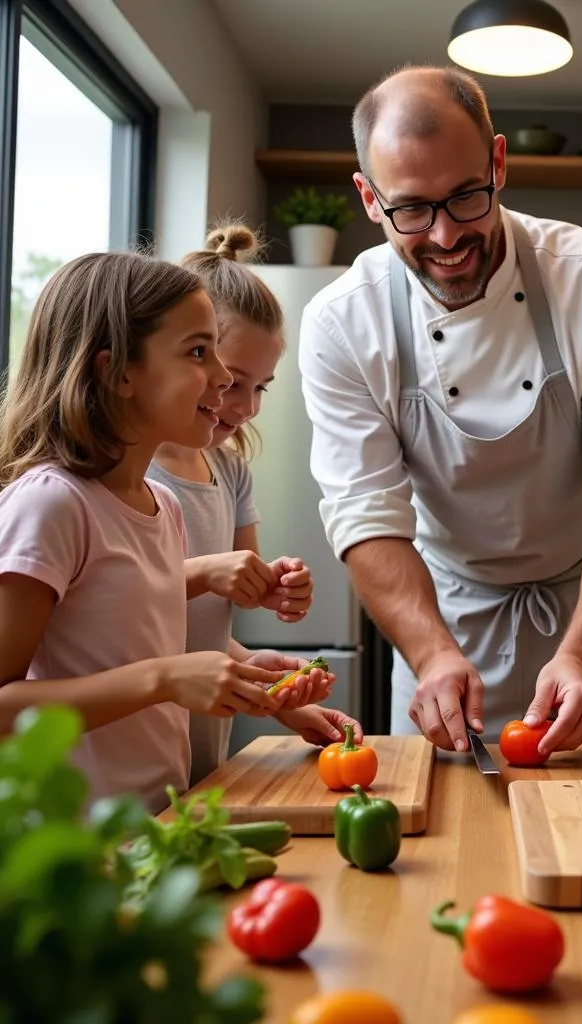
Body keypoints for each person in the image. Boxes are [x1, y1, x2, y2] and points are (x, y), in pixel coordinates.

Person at [299, 65, 582, 754]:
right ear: (369, 199)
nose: (444, 237)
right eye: (411, 209)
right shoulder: (342, 321)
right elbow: (366, 511)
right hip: (443, 627)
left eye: (466, 197)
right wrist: (431, 653)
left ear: (498, 163)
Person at [0, 251, 303, 813]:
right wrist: (163, 679)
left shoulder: (163, 506)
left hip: (157, 822)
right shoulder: (50, 503)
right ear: (117, 372)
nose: (220, 375)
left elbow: (136, 646)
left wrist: (242, 672)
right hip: (69, 848)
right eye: (198, 352)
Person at [148, 224, 363, 786]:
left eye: (260, 387)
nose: (244, 406)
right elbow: (118, 618)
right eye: (231, 379)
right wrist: (209, 574)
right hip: (129, 750)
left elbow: (204, 630)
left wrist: (283, 697)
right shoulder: (125, 476)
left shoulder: (229, 470)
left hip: (196, 757)